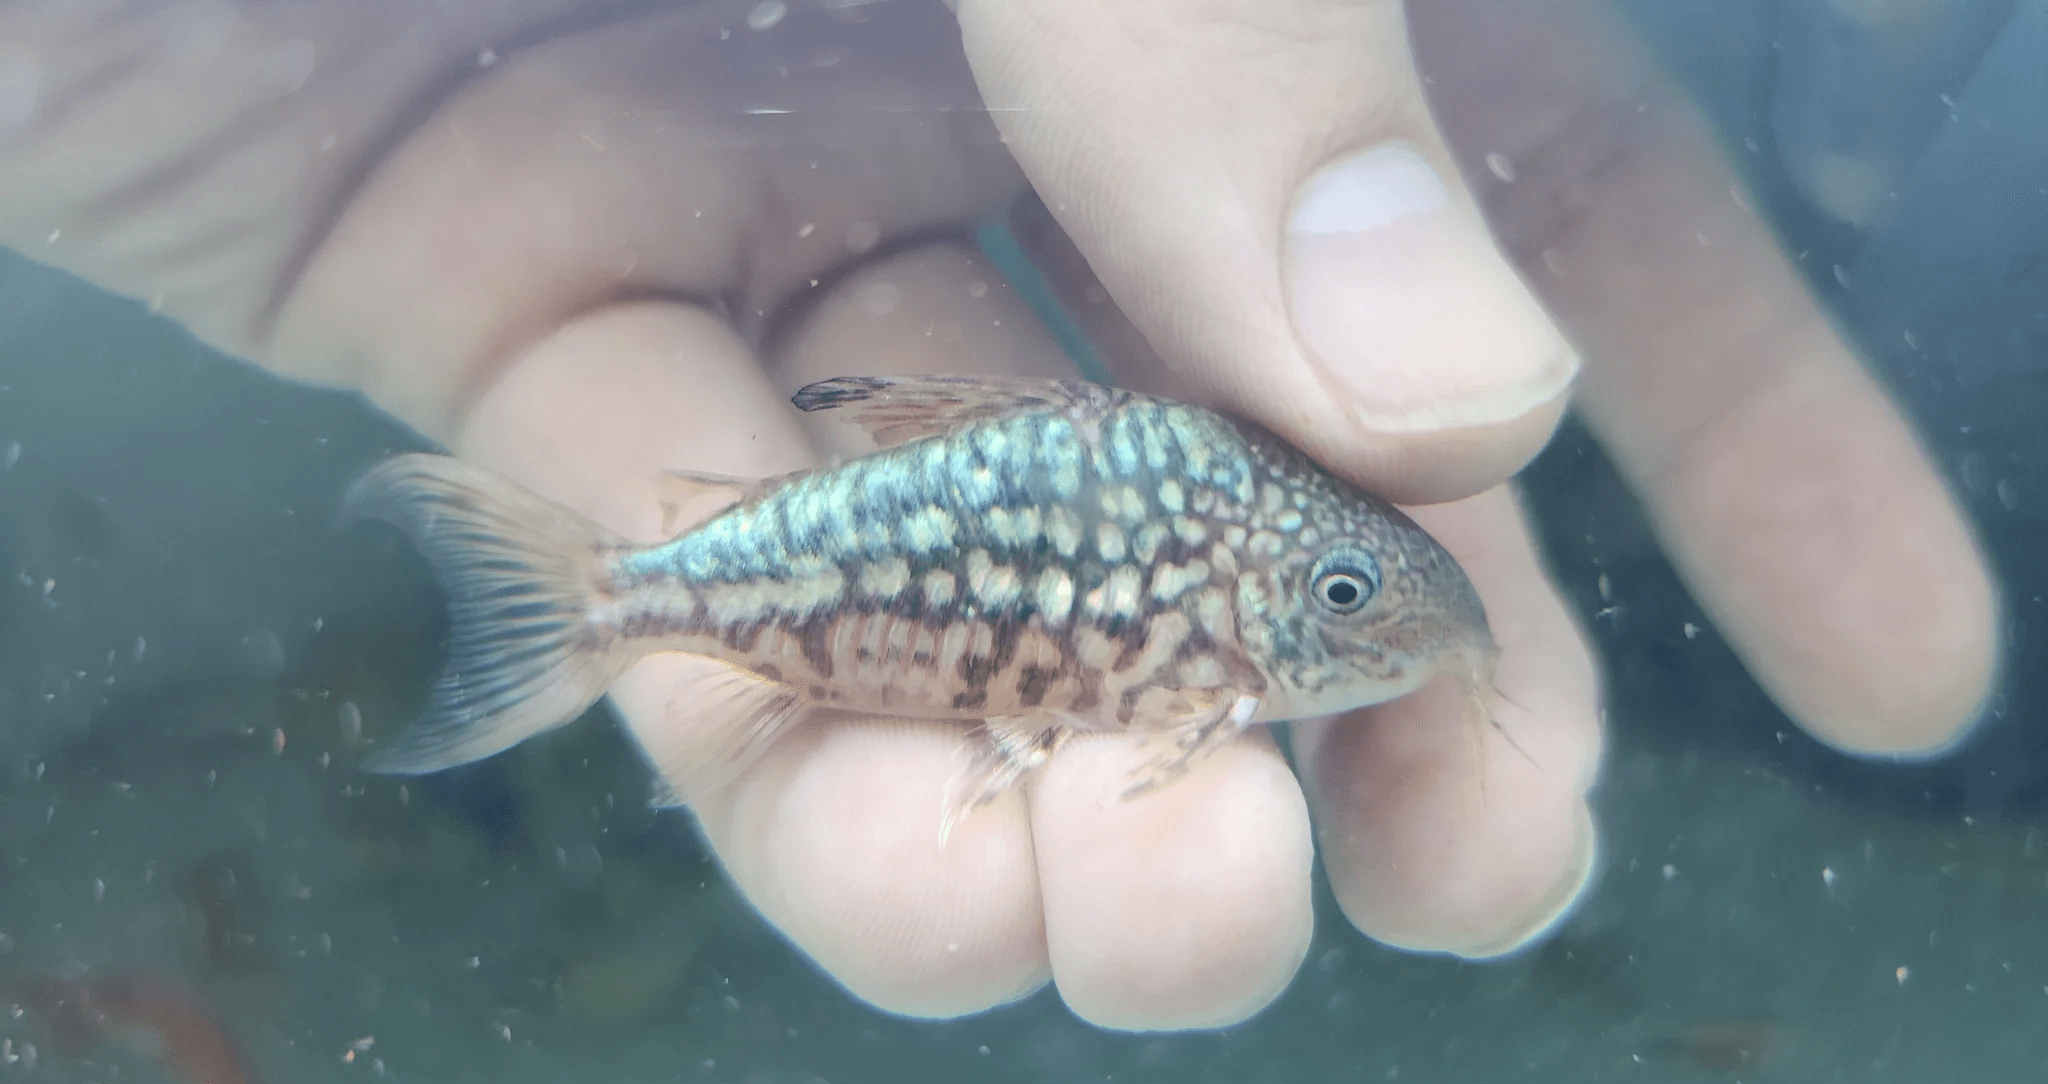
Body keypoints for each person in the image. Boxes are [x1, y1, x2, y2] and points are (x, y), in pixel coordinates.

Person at [0, 0, 1997, 1031]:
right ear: (1243, 592)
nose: (1368, 620)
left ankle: (604, 601)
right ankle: (598, 600)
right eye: (1330, 589)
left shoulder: (1218, 580)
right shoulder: (1189, 591)